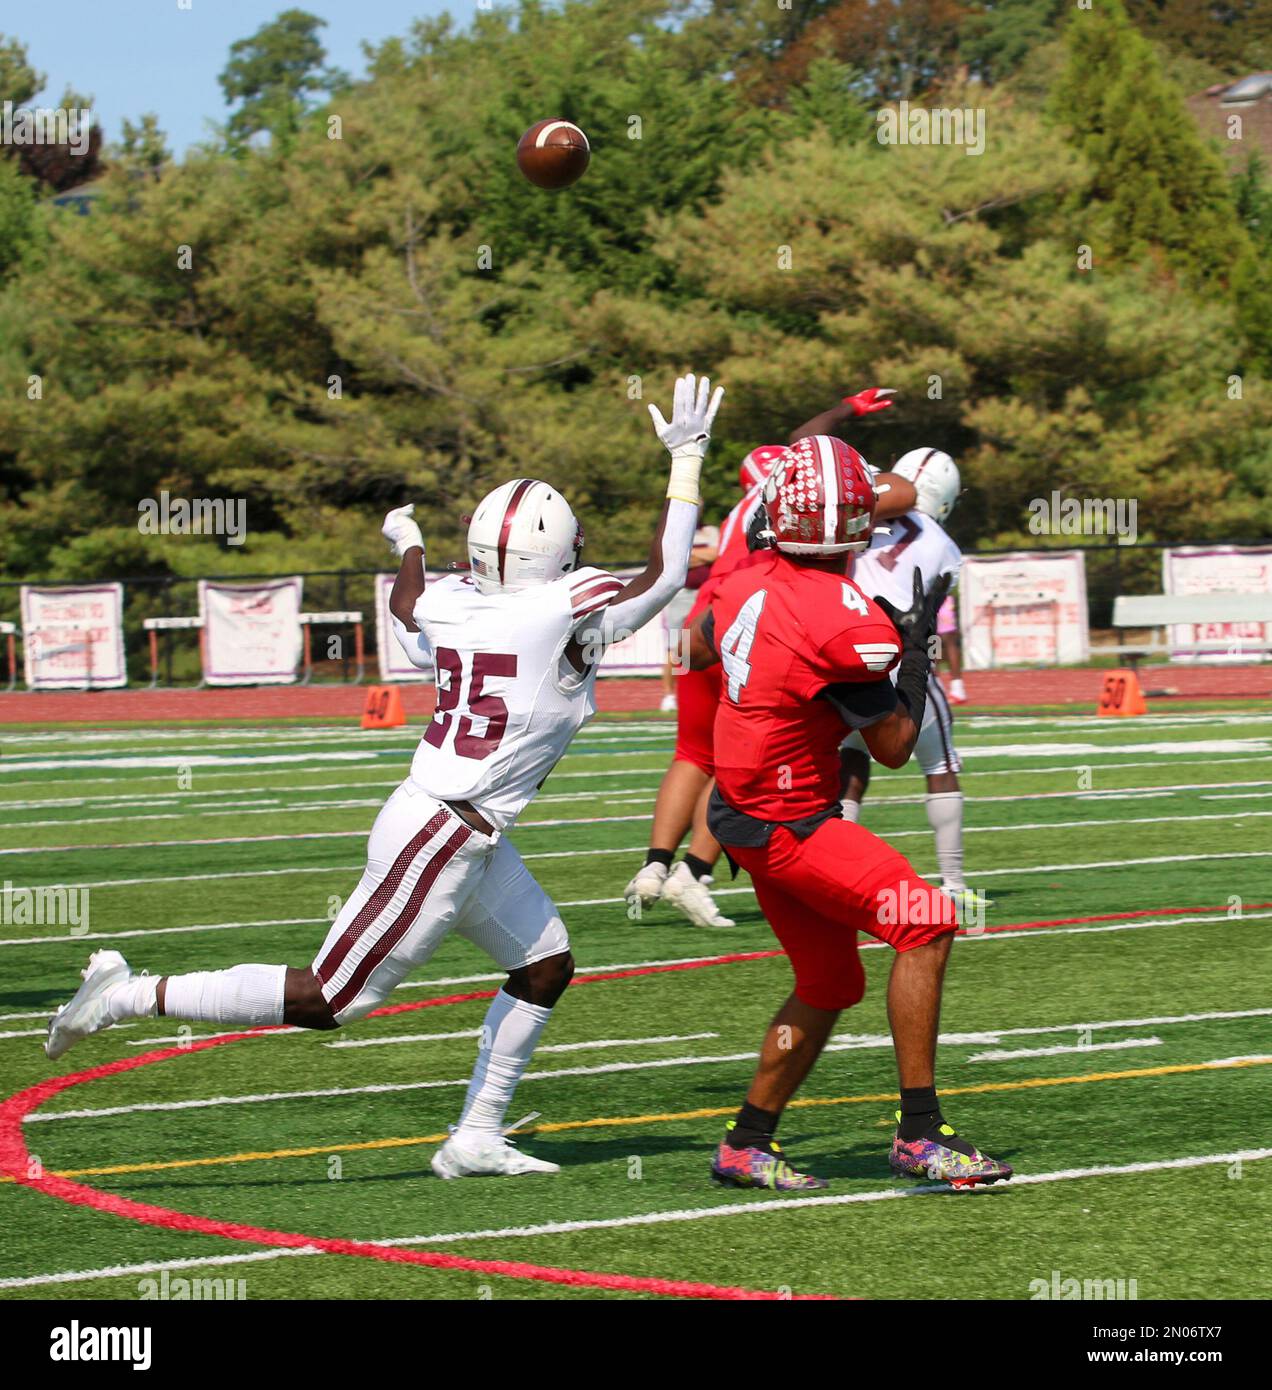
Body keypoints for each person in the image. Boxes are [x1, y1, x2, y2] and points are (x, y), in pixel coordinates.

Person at [44, 372, 725, 1180]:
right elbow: (668, 573)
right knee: (332, 999)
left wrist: (407, 541)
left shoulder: (450, 602)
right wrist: (686, 460)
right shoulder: (557, 607)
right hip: (443, 830)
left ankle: (476, 1135)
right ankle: (126, 993)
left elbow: (407, 607)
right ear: (561, 554)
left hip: (458, 825)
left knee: (545, 963)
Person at [687, 434, 1011, 1191]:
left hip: (741, 811)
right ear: (858, 522)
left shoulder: (743, 575)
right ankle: (921, 1134)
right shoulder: (843, 618)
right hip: (790, 821)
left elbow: (699, 647)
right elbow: (895, 746)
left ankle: (747, 1141)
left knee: (830, 983)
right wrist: (915, 652)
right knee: (925, 920)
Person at [625, 389, 914, 929]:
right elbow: (904, 491)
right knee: (758, 745)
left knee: (693, 753)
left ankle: (654, 866)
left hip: (717, 618)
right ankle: (694, 870)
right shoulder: (820, 499)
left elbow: (805, 444)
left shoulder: (760, 499)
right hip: (775, 621)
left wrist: (846, 408)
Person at [838, 448, 982, 910]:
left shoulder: (858, 517)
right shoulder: (947, 547)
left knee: (850, 762)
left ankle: (836, 876)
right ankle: (954, 883)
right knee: (940, 765)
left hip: (848, 656)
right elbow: (931, 621)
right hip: (902, 661)